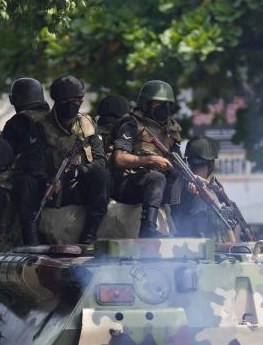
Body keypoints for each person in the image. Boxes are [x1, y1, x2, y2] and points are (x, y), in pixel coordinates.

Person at [22, 75, 111, 245]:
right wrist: (50, 180)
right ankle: (31, 237)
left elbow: (100, 161)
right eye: (67, 100)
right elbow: (33, 164)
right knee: (27, 181)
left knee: (103, 175)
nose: (73, 105)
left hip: (79, 187)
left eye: (77, 100)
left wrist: (76, 171)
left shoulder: (88, 124)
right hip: (52, 189)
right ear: (57, 101)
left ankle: (89, 234)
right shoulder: (41, 127)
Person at [110, 80, 182, 238]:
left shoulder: (171, 130)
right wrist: (151, 160)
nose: (164, 108)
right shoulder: (131, 124)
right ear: (146, 104)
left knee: (183, 181)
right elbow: (119, 159)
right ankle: (148, 230)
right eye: (158, 103)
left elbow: (178, 162)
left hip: (155, 187)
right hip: (127, 183)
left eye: (167, 104)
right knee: (156, 178)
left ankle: (186, 230)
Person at [0, 77, 50, 245]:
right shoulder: (52, 119)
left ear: (15, 99)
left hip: (30, 180)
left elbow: (4, 158)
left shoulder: (17, 122)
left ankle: (29, 243)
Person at [172, 135, 237, 241]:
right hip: (195, 245)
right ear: (211, 164)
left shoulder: (212, 189)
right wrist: (189, 195)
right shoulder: (184, 185)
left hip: (211, 246)